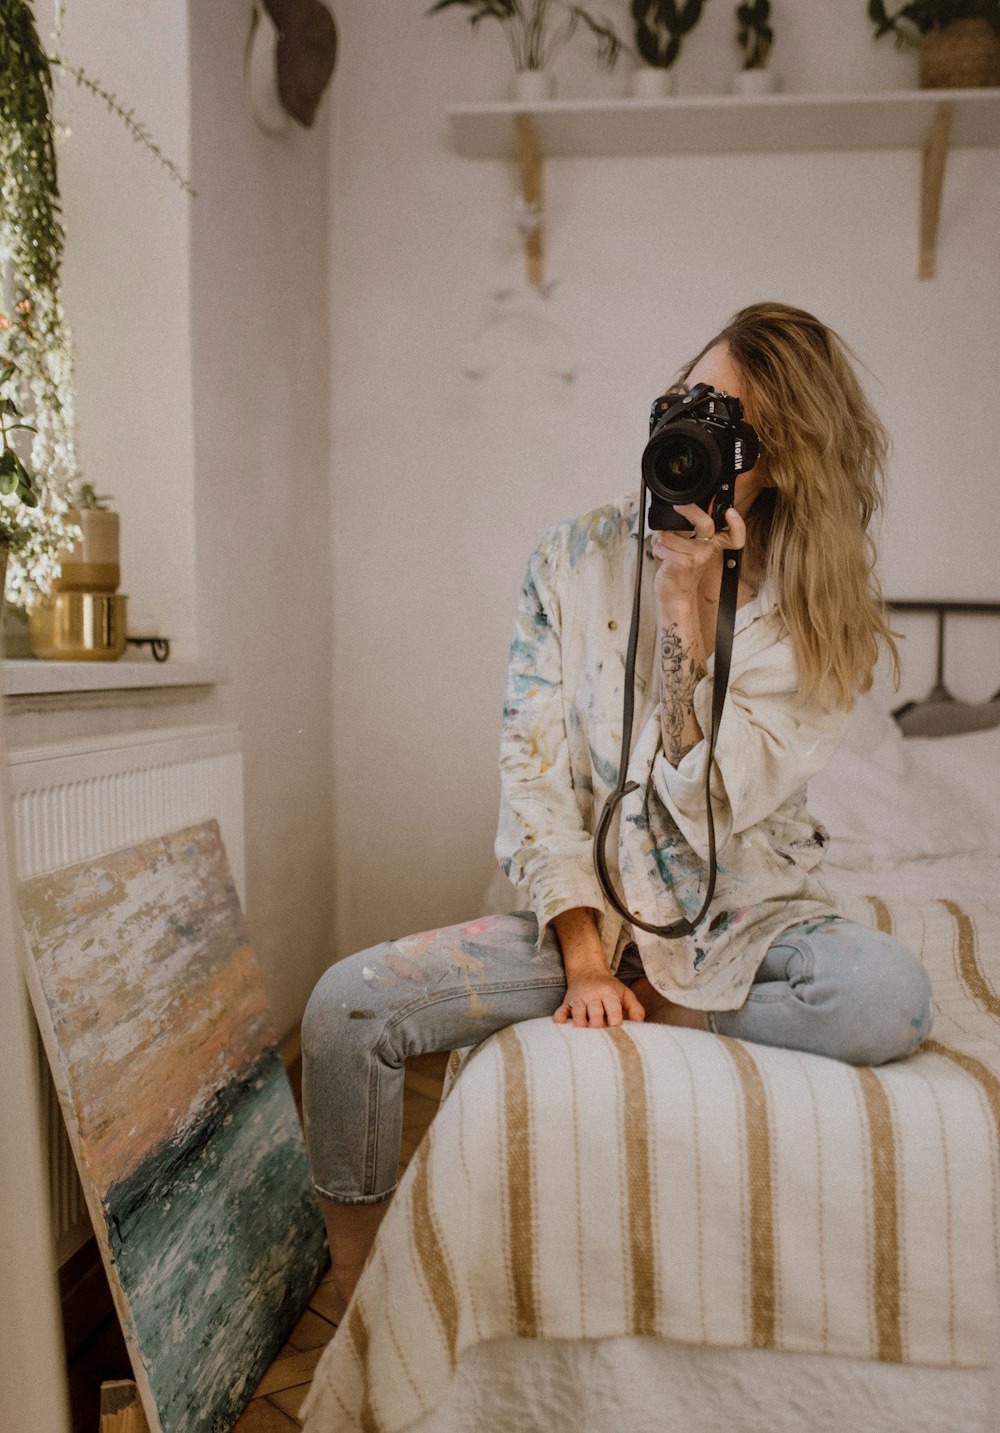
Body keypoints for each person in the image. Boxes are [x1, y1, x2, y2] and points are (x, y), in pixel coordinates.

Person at [301, 301, 933, 1307]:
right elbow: (534, 770)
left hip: (739, 915)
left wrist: (689, 606)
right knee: (343, 1011)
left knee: (885, 996)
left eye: (739, 433)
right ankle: (360, 1295)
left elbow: (708, 809)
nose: (698, 437)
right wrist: (586, 959)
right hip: (583, 915)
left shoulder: (816, 615)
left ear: (782, 467)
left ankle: (678, 1010)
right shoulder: (570, 558)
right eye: (694, 402)